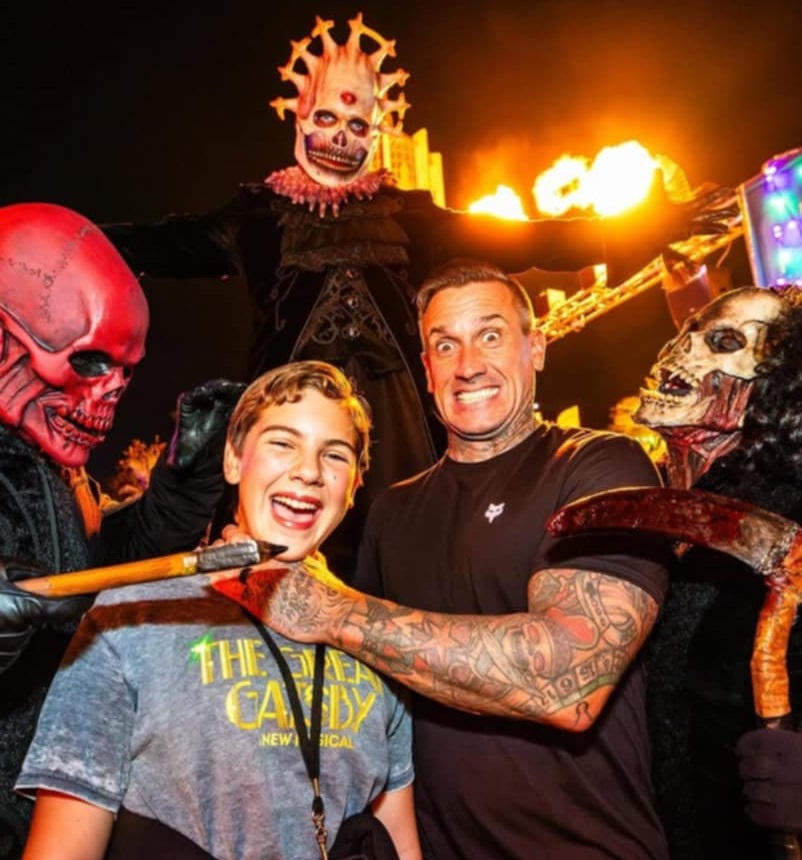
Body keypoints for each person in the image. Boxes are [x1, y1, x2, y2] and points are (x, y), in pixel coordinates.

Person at [102, 14, 725, 580]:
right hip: (294, 415)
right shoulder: (257, 217)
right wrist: (65, 237)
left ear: (375, 131)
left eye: (357, 125)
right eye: (328, 118)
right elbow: (164, 244)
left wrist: (643, 228)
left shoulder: (410, 215)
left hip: (399, 427)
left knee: (405, 554)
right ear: (301, 115)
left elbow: (525, 241)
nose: (341, 137)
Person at [211, 258, 673, 860]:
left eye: (490, 336)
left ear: (535, 348)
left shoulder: (601, 466)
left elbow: (570, 683)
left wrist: (332, 610)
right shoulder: (393, 511)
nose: (468, 364)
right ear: (426, 368)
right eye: (445, 345)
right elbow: (368, 692)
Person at [16, 360, 421, 860]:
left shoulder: (378, 638)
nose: (309, 471)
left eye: (334, 454)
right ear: (233, 460)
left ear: (355, 486)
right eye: (282, 443)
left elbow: (398, 842)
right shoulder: (128, 620)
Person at [0, 202, 240, 859]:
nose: (112, 390)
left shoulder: (50, 468)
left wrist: (184, 483)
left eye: (126, 370)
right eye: (88, 362)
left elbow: (101, 581)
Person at [634, 285, 802, 859]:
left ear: (774, 383)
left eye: (724, 343)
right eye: (686, 333)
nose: (679, 353)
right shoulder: (654, 507)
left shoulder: (789, 515)